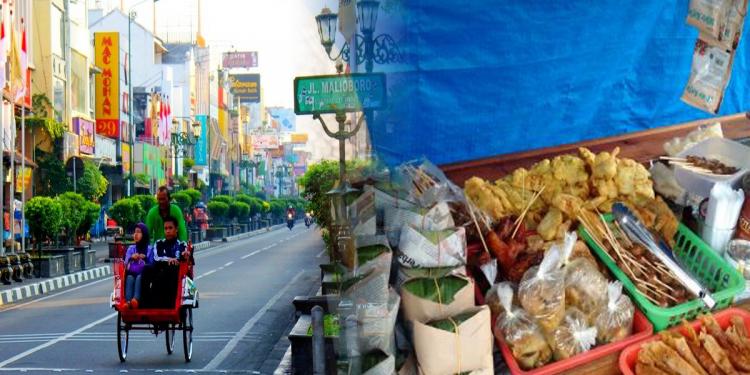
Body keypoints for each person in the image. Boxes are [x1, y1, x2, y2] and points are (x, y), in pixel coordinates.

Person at [151, 217, 190, 308]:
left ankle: (171, 304)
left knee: (172, 269)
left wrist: (184, 256)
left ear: (176, 229)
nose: (168, 231)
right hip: (160, 271)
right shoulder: (159, 243)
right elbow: (156, 258)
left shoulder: (182, 245)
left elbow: (184, 258)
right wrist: (169, 259)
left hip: (175, 275)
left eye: (170, 228)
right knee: (147, 270)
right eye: (166, 228)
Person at [123, 223, 153, 309]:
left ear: (144, 234)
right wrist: (131, 258)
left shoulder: (150, 249)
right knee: (129, 278)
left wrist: (145, 258)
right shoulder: (131, 248)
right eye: (134, 232)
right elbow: (125, 263)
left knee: (140, 277)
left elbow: (153, 264)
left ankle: (136, 300)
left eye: (139, 232)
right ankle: (128, 302)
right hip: (132, 272)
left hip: (145, 275)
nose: (135, 234)